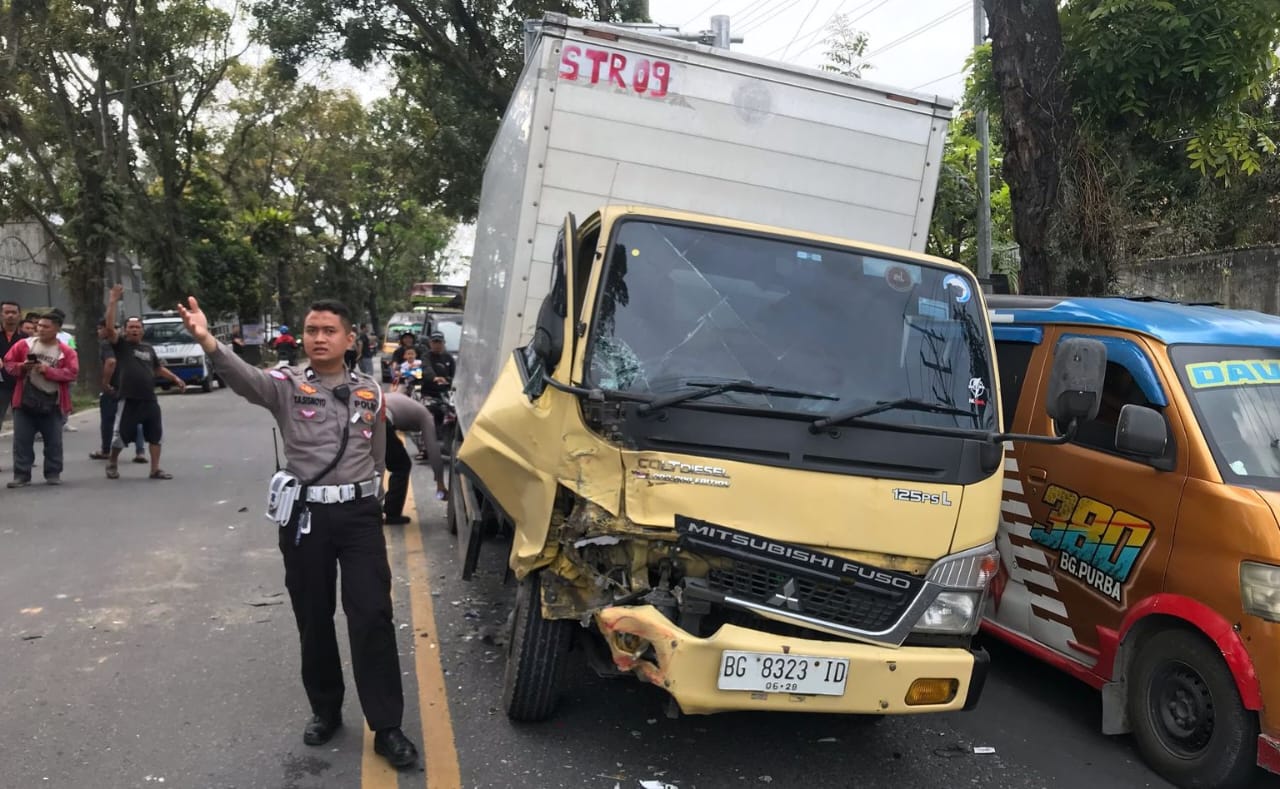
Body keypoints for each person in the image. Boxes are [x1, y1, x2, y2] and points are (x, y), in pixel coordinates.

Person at [177, 295, 419, 771]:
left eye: (330, 330)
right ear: (302, 337)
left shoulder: (370, 391)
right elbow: (245, 380)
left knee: (371, 614)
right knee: (313, 614)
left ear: (350, 339)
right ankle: (325, 709)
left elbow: (376, 453)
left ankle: (387, 725)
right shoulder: (285, 386)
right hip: (306, 518)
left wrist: (370, 500)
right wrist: (208, 341)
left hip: (358, 517)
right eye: (312, 330)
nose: (320, 338)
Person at [104, 285, 186, 480]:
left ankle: (155, 469)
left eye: (137, 327)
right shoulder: (121, 346)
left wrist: (175, 378)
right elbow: (108, 328)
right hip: (129, 398)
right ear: (124, 331)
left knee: (156, 435)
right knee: (120, 436)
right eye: (130, 327)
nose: (134, 330)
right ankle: (112, 462)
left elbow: (157, 368)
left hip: (149, 399)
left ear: (142, 331)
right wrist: (113, 301)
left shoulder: (148, 349)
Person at [3, 312, 79, 487]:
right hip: (24, 401)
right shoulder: (24, 345)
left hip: (52, 402)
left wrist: (49, 371)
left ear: (57, 329)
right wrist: (22, 367)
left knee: (53, 441)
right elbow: (8, 364)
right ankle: (22, 475)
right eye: (39, 326)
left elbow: (72, 373)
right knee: (22, 441)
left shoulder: (65, 351)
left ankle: (53, 473)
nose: (41, 329)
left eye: (46, 326)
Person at [382, 392, 447, 520]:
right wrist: (440, 483)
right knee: (402, 465)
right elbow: (433, 451)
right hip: (382, 419)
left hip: (366, 413)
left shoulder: (412, 404)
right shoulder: (426, 416)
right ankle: (392, 514)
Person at [91, 319, 147, 463]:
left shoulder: (107, 344)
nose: (98, 332)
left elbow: (111, 362)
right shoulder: (132, 345)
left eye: (99, 328)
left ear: (105, 329)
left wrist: (105, 382)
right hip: (132, 386)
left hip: (115, 387)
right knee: (136, 419)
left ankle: (106, 450)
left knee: (108, 419)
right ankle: (140, 451)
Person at [0, 299, 27, 437]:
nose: (10, 315)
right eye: (7, 312)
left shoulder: (25, 338)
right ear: (1, 314)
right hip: (1, 385)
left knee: (22, 421)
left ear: (19, 315)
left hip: (20, 384)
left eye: (13, 312)